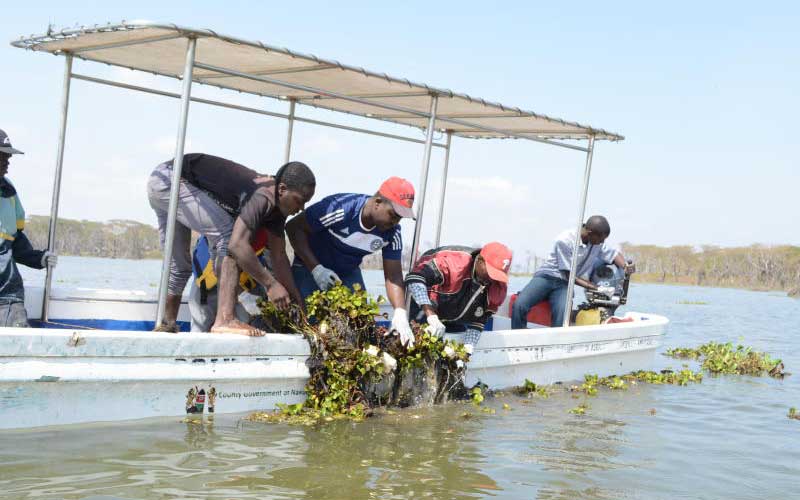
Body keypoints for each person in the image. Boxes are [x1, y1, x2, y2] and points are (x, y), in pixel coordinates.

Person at [147, 153, 315, 336]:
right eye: (299, 200)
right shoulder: (263, 196)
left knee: (180, 266)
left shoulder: (277, 211)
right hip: (172, 179)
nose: (301, 208)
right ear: (282, 189)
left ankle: (167, 325)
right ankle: (225, 319)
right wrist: (271, 285)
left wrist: (298, 304)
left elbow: (279, 256)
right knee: (229, 238)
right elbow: (236, 245)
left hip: (162, 183)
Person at [286, 177, 416, 347]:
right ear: (377, 202)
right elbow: (293, 227)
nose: (395, 222)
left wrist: (400, 312)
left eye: (400, 218)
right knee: (305, 322)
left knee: (360, 325)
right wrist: (316, 269)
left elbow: (394, 276)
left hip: (347, 271)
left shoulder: (393, 233)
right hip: (309, 265)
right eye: (393, 215)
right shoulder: (341, 209)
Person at [511, 215, 635, 329]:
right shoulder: (564, 240)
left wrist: (625, 266)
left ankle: (555, 343)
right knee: (519, 305)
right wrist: (596, 288)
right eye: (601, 239)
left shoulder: (597, 242)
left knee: (562, 314)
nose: (602, 242)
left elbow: (613, 254)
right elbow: (568, 275)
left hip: (564, 285)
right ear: (590, 233)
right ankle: (518, 335)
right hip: (547, 277)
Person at [404, 242, 512, 353]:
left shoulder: (498, 286)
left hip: (455, 316)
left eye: (497, 275)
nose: (492, 278)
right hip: (425, 306)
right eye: (490, 272)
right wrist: (431, 316)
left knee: (451, 352)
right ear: (480, 261)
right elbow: (414, 278)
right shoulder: (452, 262)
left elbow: (478, 322)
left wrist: (468, 348)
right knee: (416, 347)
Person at [0, 129, 58, 327]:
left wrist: (39, 258)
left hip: (7, 297)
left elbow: (14, 241)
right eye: (2, 157)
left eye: (8, 157)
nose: (7, 163)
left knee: (20, 334)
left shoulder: (9, 191)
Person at [188, 229, 270, 332]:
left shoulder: (269, 229)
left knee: (244, 330)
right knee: (200, 331)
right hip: (207, 286)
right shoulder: (224, 224)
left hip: (246, 284)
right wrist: (243, 295)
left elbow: (273, 260)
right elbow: (222, 258)